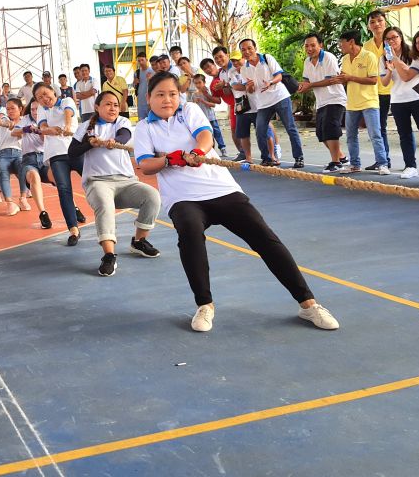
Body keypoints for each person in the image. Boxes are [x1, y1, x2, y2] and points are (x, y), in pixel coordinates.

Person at [134, 71, 339, 333]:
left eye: (172, 94)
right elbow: (145, 165)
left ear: (180, 95)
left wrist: (196, 153)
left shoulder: (189, 111)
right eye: (160, 95)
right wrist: (170, 159)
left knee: (264, 237)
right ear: (149, 98)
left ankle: (308, 304)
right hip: (184, 198)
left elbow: (205, 137)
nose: (167, 100)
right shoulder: (144, 128)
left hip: (221, 189)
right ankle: (205, 305)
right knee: (189, 234)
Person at [68, 92, 160, 276]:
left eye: (116, 105)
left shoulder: (121, 122)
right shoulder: (86, 127)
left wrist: (114, 142)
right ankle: (109, 255)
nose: (113, 108)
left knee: (152, 196)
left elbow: (124, 136)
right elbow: (72, 152)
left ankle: (139, 241)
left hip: (126, 181)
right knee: (104, 204)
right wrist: (90, 144)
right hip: (98, 182)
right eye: (108, 104)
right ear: (97, 107)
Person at [34, 82, 86, 246]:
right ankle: (73, 230)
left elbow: (68, 113)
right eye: (39, 97)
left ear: (52, 91)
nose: (44, 98)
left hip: (74, 150)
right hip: (56, 154)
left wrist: (67, 126)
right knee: (63, 190)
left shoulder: (66, 100)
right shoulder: (42, 109)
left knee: (93, 180)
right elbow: (42, 127)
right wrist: (50, 130)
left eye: (45, 93)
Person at [379, 27, 419, 179]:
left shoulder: (412, 53)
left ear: (401, 38)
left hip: (418, 97)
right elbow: (384, 82)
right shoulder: (383, 58)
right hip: (398, 99)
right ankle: (410, 166)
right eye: (388, 39)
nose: (392, 41)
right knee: (404, 134)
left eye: (394, 37)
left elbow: (408, 75)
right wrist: (389, 70)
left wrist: (395, 60)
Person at [240, 38, 304, 168]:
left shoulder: (267, 58)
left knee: (290, 127)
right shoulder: (244, 69)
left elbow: (279, 76)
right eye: (243, 50)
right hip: (263, 103)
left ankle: (299, 158)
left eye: (249, 48)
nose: (247, 51)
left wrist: (271, 82)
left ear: (255, 48)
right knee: (260, 130)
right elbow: (250, 90)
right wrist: (250, 86)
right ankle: (267, 158)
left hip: (280, 97)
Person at [336, 29, 389, 175]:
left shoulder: (369, 56)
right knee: (350, 135)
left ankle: (383, 163)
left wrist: (349, 78)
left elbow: (373, 80)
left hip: (369, 101)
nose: (341, 46)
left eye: (342, 43)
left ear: (351, 42)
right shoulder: (345, 59)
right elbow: (346, 79)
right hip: (352, 102)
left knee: (375, 134)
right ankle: (354, 164)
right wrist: (341, 80)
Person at [297, 33, 348, 172]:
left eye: (313, 45)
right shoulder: (307, 62)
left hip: (335, 98)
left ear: (321, 45)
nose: (309, 48)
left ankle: (336, 162)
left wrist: (310, 85)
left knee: (330, 129)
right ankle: (342, 157)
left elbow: (331, 80)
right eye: (307, 46)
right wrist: (302, 86)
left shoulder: (328, 57)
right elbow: (307, 81)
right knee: (321, 133)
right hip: (321, 102)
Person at [11, 100, 52, 229]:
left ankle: (74, 207)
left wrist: (41, 132)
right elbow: (14, 132)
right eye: (33, 109)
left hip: (45, 158)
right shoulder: (25, 119)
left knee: (58, 176)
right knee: (34, 176)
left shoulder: (47, 120)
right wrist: (26, 129)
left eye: (37, 109)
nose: (35, 112)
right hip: (29, 159)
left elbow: (48, 140)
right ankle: (43, 213)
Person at [363, 10, 392, 169]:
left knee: (404, 129)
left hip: (396, 89)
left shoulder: (393, 40)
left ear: (385, 22)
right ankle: (383, 159)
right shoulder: (366, 46)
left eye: (380, 21)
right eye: (372, 22)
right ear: (368, 26)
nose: (376, 24)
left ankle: (411, 163)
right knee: (380, 127)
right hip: (375, 92)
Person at [208, 47, 245, 160]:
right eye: (216, 58)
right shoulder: (221, 74)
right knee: (234, 129)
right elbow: (227, 92)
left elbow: (244, 83)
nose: (219, 60)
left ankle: (273, 151)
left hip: (250, 99)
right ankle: (243, 153)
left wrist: (227, 84)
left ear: (227, 55)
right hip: (236, 104)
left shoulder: (237, 65)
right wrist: (223, 86)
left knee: (262, 126)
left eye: (221, 56)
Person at [0, 98, 29, 216]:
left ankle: (23, 198)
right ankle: (9, 203)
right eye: (8, 109)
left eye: (13, 108)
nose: (10, 111)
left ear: (20, 109)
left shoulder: (25, 121)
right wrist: (7, 123)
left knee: (23, 170)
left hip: (19, 153)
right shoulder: (4, 118)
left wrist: (18, 129)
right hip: (3, 153)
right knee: (2, 170)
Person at [192, 72, 227, 156]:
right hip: (201, 119)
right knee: (207, 135)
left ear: (204, 82)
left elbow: (213, 104)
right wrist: (195, 102)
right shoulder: (194, 95)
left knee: (216, 133)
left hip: (211, 117)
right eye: (196, 83)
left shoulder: (208, 92)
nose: (198, 85)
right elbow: (193, 107)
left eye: (199, 82)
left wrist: (204, 101)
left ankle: (222, 148)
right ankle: (210, 150)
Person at [134, 52, 153, 119]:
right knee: (142, 120)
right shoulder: (137, 72)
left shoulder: (152, 71)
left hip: (151, 100)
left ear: (146, 60)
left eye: (142, 60)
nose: (141, 62)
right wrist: (135, 83)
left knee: (152, 120)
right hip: (140, 100)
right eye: (139, 61)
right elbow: (135, 86)